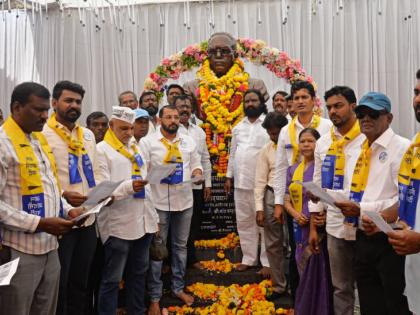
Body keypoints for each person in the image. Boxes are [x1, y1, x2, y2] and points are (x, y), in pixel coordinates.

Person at [0, 82, 84, 315]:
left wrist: (68, 211)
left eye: (47, 109)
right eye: (38, 110)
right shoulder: (2, 143)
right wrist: (39, 223)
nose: (45, 115)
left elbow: (51, 189)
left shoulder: (38, 140)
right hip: (18, 250)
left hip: (50, 248)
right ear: (17, 107)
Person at [334, 92, 411, 314]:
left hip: (391, 238)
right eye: (361, 114)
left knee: (394, 302)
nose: (366, 118)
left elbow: (406, 200)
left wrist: (363, 210)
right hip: (362, 235)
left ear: (389, 118)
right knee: (368, 301)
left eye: (373, 113)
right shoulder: (358, 149)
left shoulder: (402, 148)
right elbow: (355, 191)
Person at [43, 80, 100, 315]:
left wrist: (99, 197)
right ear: (54, 103)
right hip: (61, 222)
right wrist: (65, 195)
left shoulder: (87, 135)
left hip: (87, 219)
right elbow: (44, 178)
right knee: (61, 284)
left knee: (81, 281)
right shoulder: (42, 134)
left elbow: (94, 172)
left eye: (77, 101)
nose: (74, 105)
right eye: (68, 100)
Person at [273, 80, 332, 302]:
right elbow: (280, 169)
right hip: (295, 202)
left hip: (320, 199)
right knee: (295, 249)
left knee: (322, 252)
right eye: (296, 98)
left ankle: (322, 300)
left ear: (313, 100)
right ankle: (300, 300)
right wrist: (279, 203)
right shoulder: (285, 131)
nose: (300, 102)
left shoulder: (326, 126)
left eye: (304, 97)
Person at [308, 86, 365, 315]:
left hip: (365, 224)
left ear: (353, 106)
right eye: (329, 107)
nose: (333, 111)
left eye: (338, 105)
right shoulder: (323, 143)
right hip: (334, 225)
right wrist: (314, 224)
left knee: (368, 285)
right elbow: (318, 183)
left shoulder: (367, 136)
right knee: (340, 287)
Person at [96, 106, 158, 315]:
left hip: (143, 222)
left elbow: (146, 183)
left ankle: (136, 311)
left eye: (131, 128)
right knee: (113, 279)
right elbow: (102, 189)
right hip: (118, 225)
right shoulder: (101, 150)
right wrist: (130, 187)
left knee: (139, 274)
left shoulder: (135, 147)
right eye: (123, 128)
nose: (129, 133)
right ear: (111, 126)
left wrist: (153, 217)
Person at [141, 105, 203, 314]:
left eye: (176, 117)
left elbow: (197, 163)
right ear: (159, 120)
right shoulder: (148, 143)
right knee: (158, 250)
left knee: (180, 248)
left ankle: (177, 288)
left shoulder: (188, 141)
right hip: (158, 203)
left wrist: (197, 170)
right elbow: (142, 174)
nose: (173, 120)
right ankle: (155, 298)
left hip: (184, 201)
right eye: (168, 117)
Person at [374, 70, 420, 314]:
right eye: (416, 92)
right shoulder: (416, 144)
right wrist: (388, 220)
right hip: (414, 273)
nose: (417, 99)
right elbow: (410, 200)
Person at [284, 128, 333, 315]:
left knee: (318, 272)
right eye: (302, 141)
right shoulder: (292, 169)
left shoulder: (322, 168)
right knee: (302, 270)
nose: (306, 145)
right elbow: (286, 198)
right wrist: (294, 215)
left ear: (318, 144)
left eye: (310, 141)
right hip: (298, 226)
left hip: (317, 227)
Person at [225, 89, 270, 274]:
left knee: (265, 224)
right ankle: (249, 258)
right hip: (240, 184)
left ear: (261, 102)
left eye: (254, 100)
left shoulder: (268, 123)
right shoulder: (238, 126)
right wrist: (229, 176)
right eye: (247, 101)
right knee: (244, 222)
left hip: (261, 184)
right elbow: (233, 153)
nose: (250, 104)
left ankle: (267, 262)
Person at [183, 32, 269, 119]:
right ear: (207, 55)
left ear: (235, 55)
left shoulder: (255, 86)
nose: (218, 55)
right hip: (205, 131)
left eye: (225, 51)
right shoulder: (191, 88)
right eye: (212, 51)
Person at [174, 94, 212, 269]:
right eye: (180, 106)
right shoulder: (170, 130)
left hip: (195, 186)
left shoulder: (199, 131)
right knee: (175, 225)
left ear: (192, 110)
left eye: (187, 106)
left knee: (193, 223)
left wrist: (208, 184)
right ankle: (171, 261)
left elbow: (204, 159)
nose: (184, 109)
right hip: (175, 187)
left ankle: (191, 258)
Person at [254, 111, 289, 298]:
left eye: (276, 133)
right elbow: (259, 181)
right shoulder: (266, 150)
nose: (273, 137)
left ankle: (298, 283)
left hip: (294, 197)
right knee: (273, 244)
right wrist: (259, 208)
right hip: (270, 196)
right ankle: (279, 286)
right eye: (270, 133)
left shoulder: (295, 145)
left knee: (294, 242)